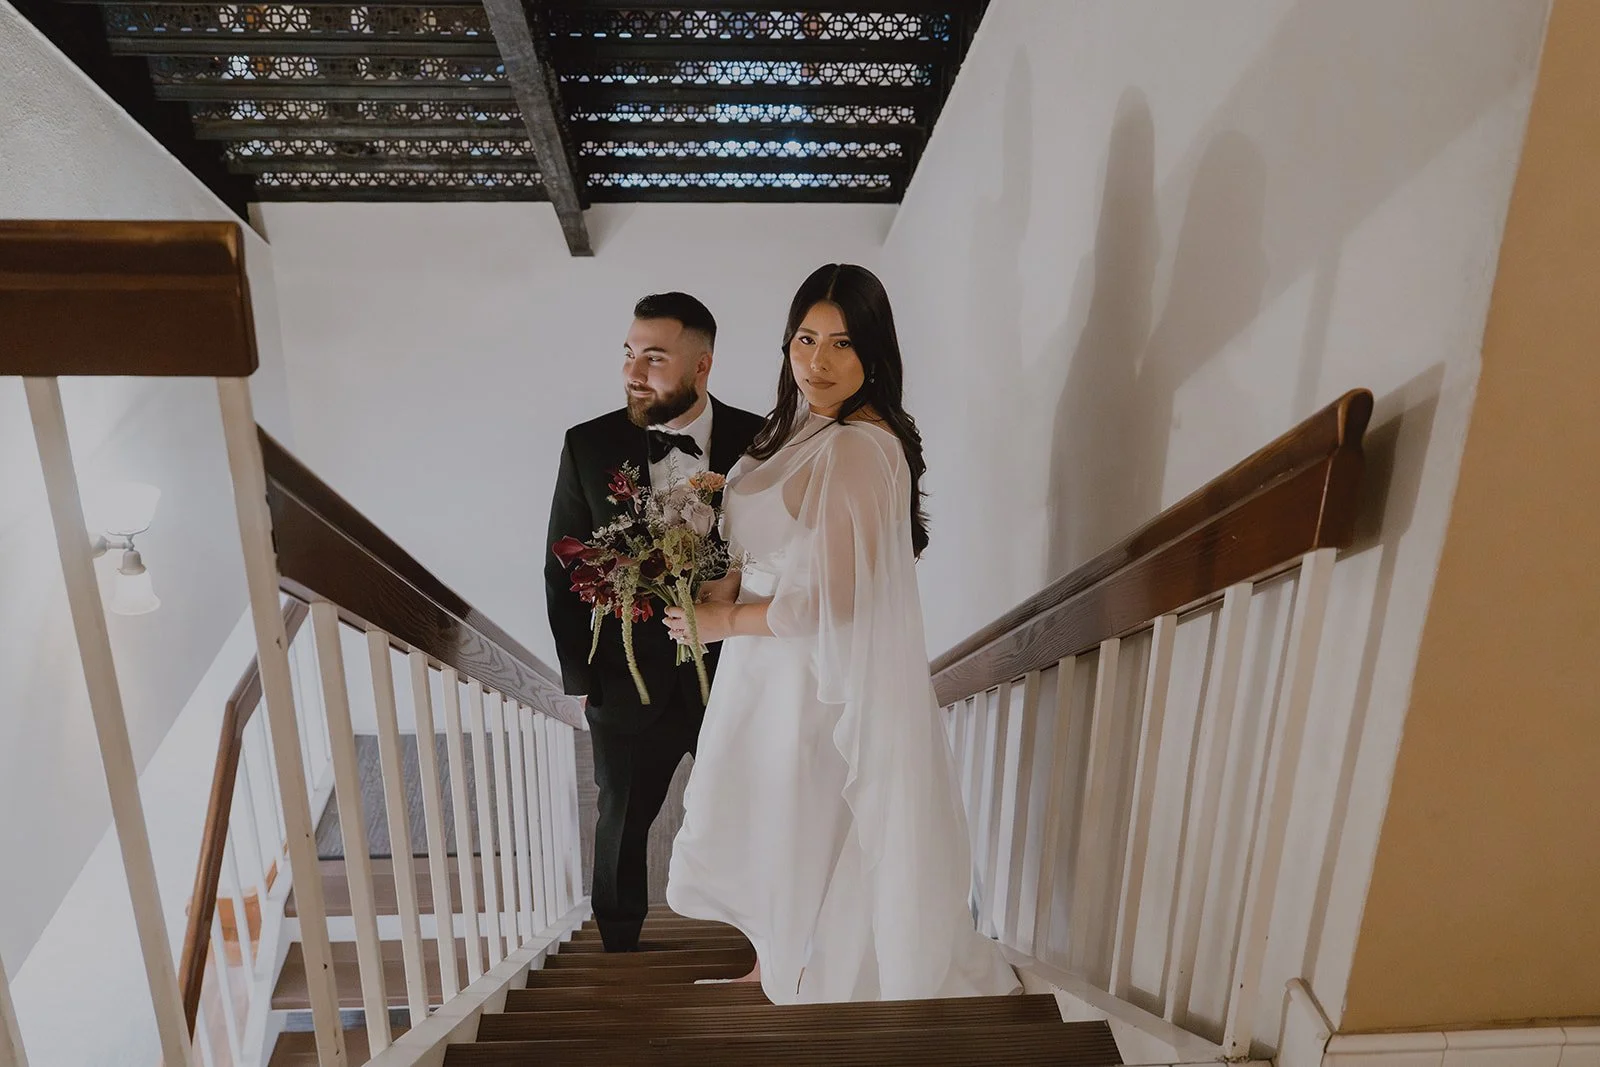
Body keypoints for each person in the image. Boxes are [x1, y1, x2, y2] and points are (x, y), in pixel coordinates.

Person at [663, 265, 1021, 1002]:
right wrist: (705, 568)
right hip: (761, 670)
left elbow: (831, 602)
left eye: (841, 344)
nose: (817, 362)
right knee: (771, 816)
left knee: (805, 820)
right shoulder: (795, 430)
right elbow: (763, 547)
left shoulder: (860, 445)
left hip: (811, 675)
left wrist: (721, 621)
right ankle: (773, 962)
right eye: (805, 338)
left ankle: (809, 976)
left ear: (873, 355)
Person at [545, 292, 764, 953]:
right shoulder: (587, 445)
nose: (633, 373)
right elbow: (563, 565)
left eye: (654, 358)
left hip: (740, 673)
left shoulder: (762, 443)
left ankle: (761, 937)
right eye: (629, 354)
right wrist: (584, 676)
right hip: (627, 678)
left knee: (756, 807)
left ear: (702, 366)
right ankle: (617, 947)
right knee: (621, 819)